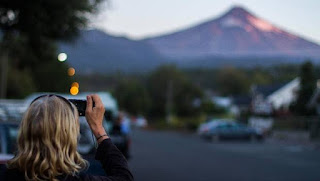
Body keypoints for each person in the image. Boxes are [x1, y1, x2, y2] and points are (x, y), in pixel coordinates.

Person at [0, 94, 134, 181]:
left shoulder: (4, 174)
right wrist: (98, 129)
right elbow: (124, 177)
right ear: (70, 136)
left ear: (24, 130)